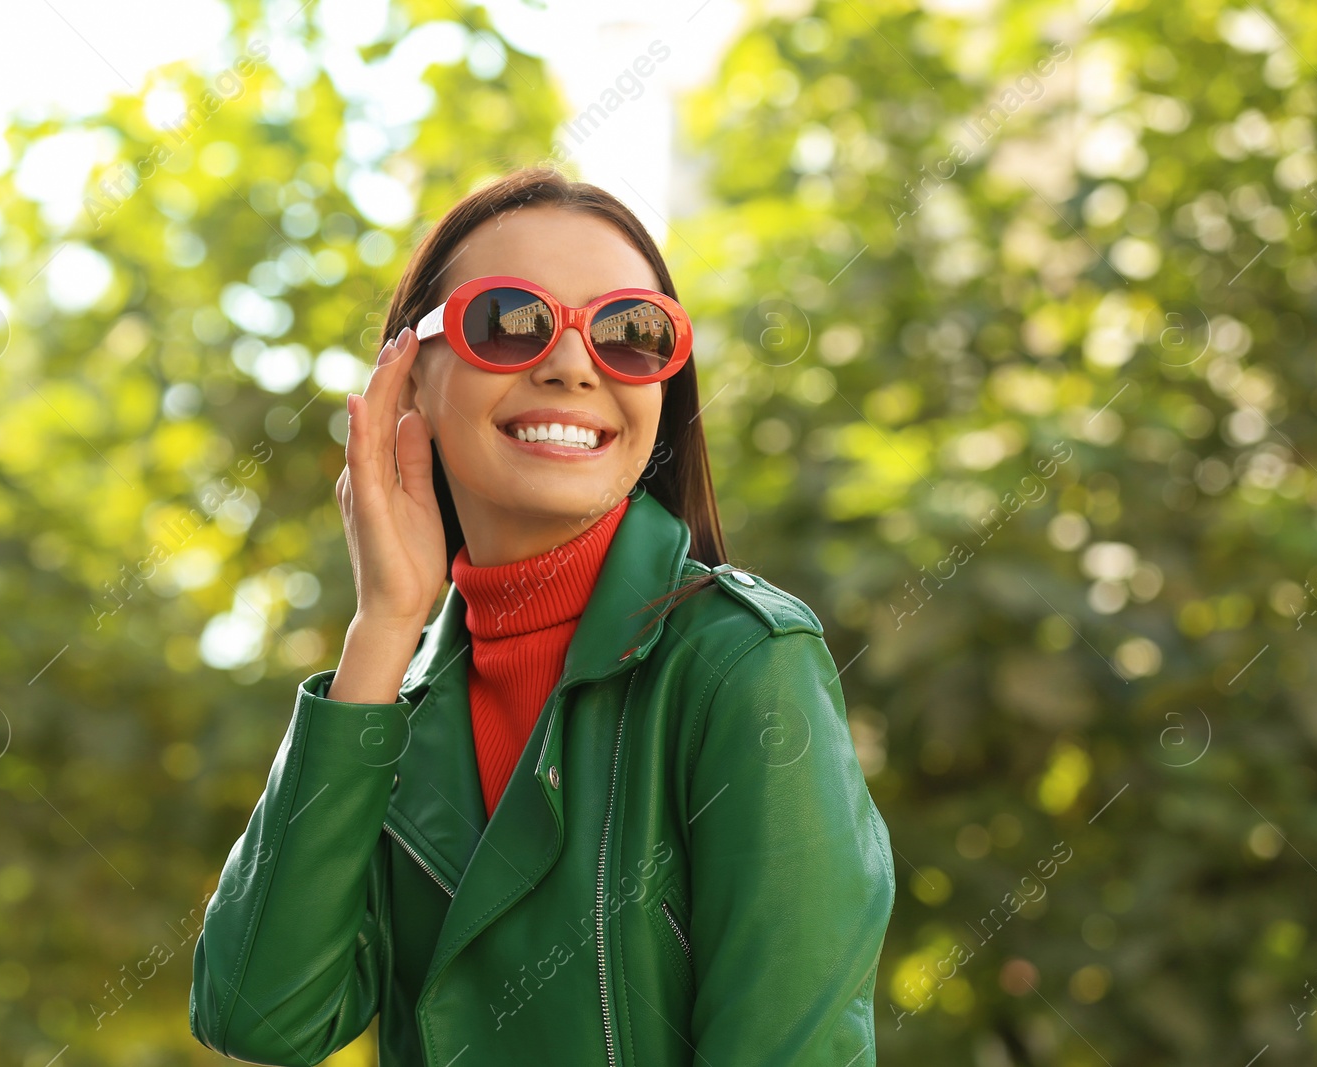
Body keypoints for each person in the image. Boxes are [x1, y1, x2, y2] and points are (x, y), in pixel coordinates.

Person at [189, 166, 895, 1066]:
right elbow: (259, 1012)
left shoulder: (743, 663)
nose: (570, 363)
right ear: (408, 380)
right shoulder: (394, 707)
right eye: (509, 321)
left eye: (629, 333)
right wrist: (382, 628)